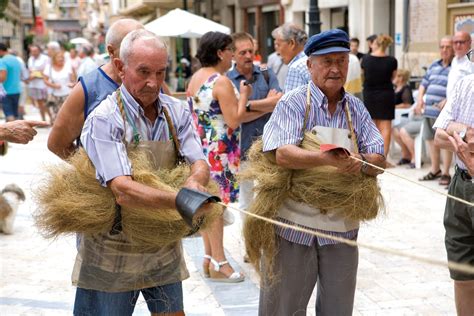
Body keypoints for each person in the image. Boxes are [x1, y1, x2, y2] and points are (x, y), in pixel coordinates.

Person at [76, 28, 210, 316]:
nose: (153, 82)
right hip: (113, 246)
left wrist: (196, 180)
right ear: (121, 68)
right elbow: (123, 189)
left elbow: (199, 161)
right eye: (144, 71)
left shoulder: (177, 112)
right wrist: (179, 199)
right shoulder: (104, 119)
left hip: (161, 242)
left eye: (161, 73)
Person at [259, 28, 385, 315]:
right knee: (284, 306)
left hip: (340, 229)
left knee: (338, 309)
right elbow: (282, 153)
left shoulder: (356, 108)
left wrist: (362, 161)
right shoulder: (292, 102)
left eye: (341, 61)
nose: (334, 69)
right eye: (326, 61)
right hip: (294, 226)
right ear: (309, 65)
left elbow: (380, 157)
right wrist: (325, 159)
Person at [187, 31, 260, 282]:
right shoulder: (221, 82)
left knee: (206, 205)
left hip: (200, 149)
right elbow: (234, 119)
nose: (232, 55)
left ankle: (208, 258)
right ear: (220, 52)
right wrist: (245, 98)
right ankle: (220, 262)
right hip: (221, 151)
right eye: (230, 50)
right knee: (216, 206)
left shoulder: (195, 78)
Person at [47, 18, 143, 159]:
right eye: (132, 47)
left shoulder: (154, 80)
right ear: (111, 51)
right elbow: (57, 144)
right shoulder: (87, 89)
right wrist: (94, 173)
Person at [226, 32, 282, 218]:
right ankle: (249, 242)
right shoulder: (227, 81)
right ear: (232, 55)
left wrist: (247, 105)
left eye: (251, 51)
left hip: (270, 146)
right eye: (243, 53)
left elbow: (279, 102)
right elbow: (236, 116)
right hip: (243, 149)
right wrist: (267, 106)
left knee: (271, 196)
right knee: (246, 201)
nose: (249, 56)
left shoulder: (266, 73)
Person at [433, 68, 474, 315]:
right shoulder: (465, 85)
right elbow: (439, 135)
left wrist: (456, 131)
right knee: (462, 272)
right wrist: (464, 133)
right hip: (460, 185)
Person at [416, 36, 454, 185]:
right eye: (442, 47)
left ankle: (445, 173)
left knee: (444, 142)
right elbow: (423, 84)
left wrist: (448, 100)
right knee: (431, 141)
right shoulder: (433, 65)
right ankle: (435, 169)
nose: (444, 50)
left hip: (444, 113)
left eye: (447, 47)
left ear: (452, 49)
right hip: (429, 111)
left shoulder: (455, 67)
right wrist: (420, 100)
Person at [361, 34, 398, 163]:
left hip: (370, 93)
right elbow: (393, 78)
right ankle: (383, 159)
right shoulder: (392, 60)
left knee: (371, 126)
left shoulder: (365, 59)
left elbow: (363, 76)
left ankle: (371, 156)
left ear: (375, 43)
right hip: (386, 94)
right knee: (386, 127)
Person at [391, 69, 418, 167]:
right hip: (396, 117)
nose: (395, 78)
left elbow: (407, 104)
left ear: (402, 78)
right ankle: (406, 154)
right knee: (392, 129)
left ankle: (412, 155)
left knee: (396, 128)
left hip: (405, 116)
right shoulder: (395, 88)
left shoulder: (406, 88)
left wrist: (394, 107)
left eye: (398, 76)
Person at [271, 23, 308, 92]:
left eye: (278, 45)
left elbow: (292, 102)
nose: (277, 53)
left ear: (292, 43)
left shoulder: (296, 68)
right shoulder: (311, 60)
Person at [43, 51, 75, 122]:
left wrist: (72, 84)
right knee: (56, 117)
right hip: (54, 96)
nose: (61, 59)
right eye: (59, 57)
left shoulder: (68, 66)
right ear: (54, 59)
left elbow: (73, 80)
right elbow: (45, 80)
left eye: (62, 57)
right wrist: (53, 85)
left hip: (67, 95)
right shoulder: (49, 68)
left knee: (67, 115)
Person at [27, 44, 52, 124]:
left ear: (39, 51)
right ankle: (43, 120)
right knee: (39, 103)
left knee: (45, 103)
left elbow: (46, 72)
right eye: (32, 51)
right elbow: (30, 70)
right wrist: (36, 73)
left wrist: (35, 74)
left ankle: (51, 119)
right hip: (34, 84)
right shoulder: (30, 59)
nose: (33, 52)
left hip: (43, 84)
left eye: (35, 51)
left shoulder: (45, 58)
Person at [0, 43, 22, 121]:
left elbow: (2, 78)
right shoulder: (16, 59)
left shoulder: (2, 61)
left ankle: (13, 132)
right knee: (14, 113)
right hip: (17, 90)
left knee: (9, 114)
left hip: (6, 91)